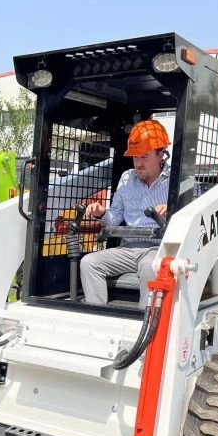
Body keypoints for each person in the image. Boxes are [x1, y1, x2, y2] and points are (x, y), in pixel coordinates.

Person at [80, 119, 170, 309]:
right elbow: (114, 218)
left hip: (157, 248)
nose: (138, 163)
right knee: (89, 263)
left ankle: (146, 325)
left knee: (149, 266)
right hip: (128, 248)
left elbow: (197, 211)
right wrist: (102, 213)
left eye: (144, 157)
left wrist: (175, 210)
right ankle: (97, 317)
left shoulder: (176, 180)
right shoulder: (127, 178)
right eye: (135, 157)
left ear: (161, 154)